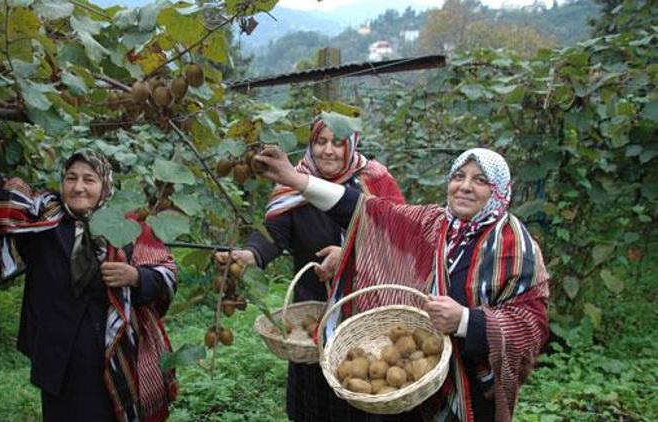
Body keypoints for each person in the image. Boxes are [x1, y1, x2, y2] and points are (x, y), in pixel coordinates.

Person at [255, 146, 550, 422]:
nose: (465, 186)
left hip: (472, 389)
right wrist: (295, 179)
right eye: (459, 176)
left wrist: (465, 321)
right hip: (413, 383)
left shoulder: (515, 246)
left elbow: (530, 325)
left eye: (480, 180)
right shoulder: (434, 224)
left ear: (498, 191)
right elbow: (366, 211)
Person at [0, 114, 178, 421]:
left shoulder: (128, 226)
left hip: (119, 360)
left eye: (89, 179)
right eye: (71, 177)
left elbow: (167, 274)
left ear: (105, 185)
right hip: (59, 365)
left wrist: (135, 277)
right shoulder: (42, 218)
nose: (79, 187)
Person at [215, 117, 405, 421]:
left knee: (366, 390)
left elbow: (399, 237)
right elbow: (274, 235)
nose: (328, 150)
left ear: (352, 144)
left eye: (338, 142)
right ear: (310, 144)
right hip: (315, 312)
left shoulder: (374, 179)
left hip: (367, 309)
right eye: (320, 141)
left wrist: (348, 252)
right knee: (315, 402)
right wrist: (250, 254)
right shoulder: (294, 180)